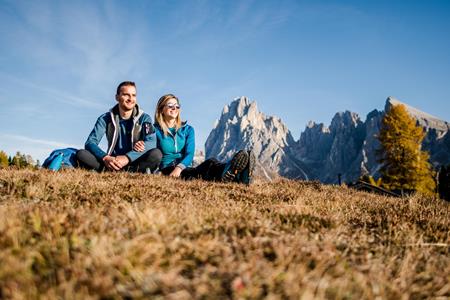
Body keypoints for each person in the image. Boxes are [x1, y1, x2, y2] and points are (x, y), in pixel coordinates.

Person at [134, 94, 255, 184]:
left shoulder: (187, 129)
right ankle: (237, 175)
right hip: (167, 169)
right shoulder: (155, 130)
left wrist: (179, 168)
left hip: (183, 168)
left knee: (210, 162)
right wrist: (140, 144)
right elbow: (149, 145)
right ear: (161, 109)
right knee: (199, 173)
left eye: (177, 106)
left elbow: (190, 153)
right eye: (170, 105)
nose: (174, 108)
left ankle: (240, 175)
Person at [77, 81, 162, 173]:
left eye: (134, 95)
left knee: (156, 154)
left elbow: (152, 142)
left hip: (134, 161)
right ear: (117, 97)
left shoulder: (145, 118)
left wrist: (127, 157)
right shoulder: (105, 118)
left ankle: (129, 172)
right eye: (126, 95)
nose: (131, 99)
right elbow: (90, 142)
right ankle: (110, 169)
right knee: (81, 154)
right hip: (111, 161)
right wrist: (105, 157)